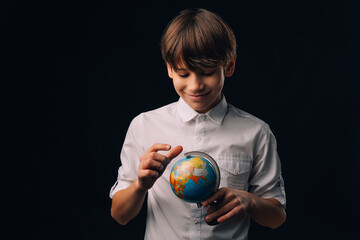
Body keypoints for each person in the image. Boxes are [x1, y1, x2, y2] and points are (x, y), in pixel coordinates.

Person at [110, 8, 286, 240]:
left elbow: (276, 218)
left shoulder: (256, 133)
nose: (195, 85)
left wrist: (249, 200)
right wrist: (141, 185)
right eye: (184, 74)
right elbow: (120, 215)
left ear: (229, 66)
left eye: (207, 72)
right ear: (169, 68)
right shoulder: (144, 126)